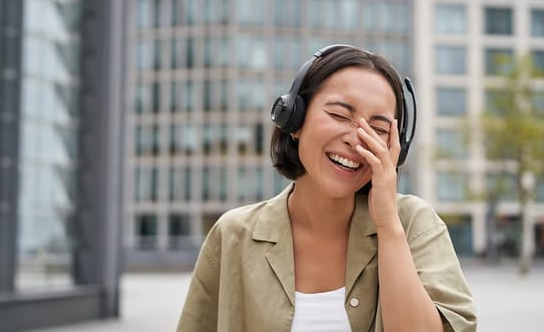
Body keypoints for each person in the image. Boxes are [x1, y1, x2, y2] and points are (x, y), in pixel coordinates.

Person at [177, 44, 477, 331]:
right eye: (338, 115)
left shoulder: (414, 224)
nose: (357, 138)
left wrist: (387, 224)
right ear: (294, 118)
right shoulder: (233, 236)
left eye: (379, 129)